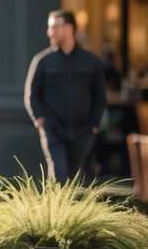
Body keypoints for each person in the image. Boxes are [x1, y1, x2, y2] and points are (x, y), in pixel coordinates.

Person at [24, 10, 106, 180]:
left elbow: (100, 95)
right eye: (50, 27)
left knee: (77, 178)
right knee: (59, 175)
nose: (49, 32)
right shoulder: (42, 61)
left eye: (54, 27)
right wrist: (39, 119)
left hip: (83, 131)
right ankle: (55, 207)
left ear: (69, 28)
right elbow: (32, 95)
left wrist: (94, 125)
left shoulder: (91, 61)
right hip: (53, 129)